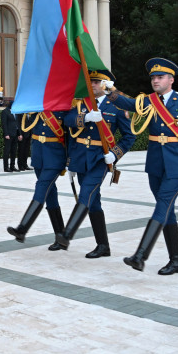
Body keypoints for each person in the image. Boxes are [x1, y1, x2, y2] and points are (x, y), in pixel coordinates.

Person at [108, 58, 178, 275]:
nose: (155, 80)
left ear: (171, 80)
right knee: (167, 212)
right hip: (155, 164)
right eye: (153, 77)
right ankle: (176, 261)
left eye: (160, 77)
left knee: (162, 204)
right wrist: (111, 91)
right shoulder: (148, 101)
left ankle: (140, 255)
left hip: (177, 165)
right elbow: (128, 104)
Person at [55, 69, 136, 258]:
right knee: (94, 202)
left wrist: (115, 155)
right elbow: (67, 121)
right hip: (82, 157)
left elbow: (129, 136)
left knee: (86, 193)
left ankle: (67, 234)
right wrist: (85, 118)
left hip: (100, 158)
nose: (92, 84)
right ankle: (103, 246)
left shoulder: (117, 106)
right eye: (90, 81)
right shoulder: (82, 103)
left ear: (107, 84)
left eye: (97, 81)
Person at [6, 108, 69, 250]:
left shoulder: (64, 107)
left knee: (41, 187)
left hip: (55, 157)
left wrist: (71, 159)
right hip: (39, 156)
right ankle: (61, 238)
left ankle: (22, 228)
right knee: (50, 195)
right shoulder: (37, 106)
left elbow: (71, 134)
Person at [0, 99, 22, 172]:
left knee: (14, 151)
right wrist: (6, 134)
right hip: (9, 134)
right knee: (7, 151)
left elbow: (17, 124)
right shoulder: (5, 112)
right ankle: (6, 167)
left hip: (15, 134)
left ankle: (12, 166)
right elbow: (4, 124)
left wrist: (19, 134)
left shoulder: (15, 112)